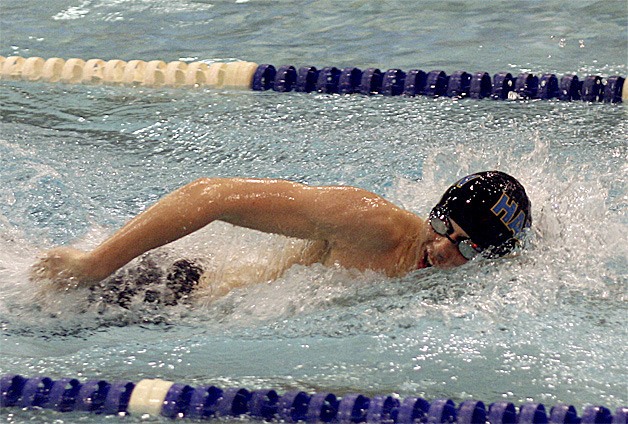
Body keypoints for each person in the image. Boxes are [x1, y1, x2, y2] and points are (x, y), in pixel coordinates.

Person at [30, 171, 531, 301]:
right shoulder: (366, 222)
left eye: (465, 246)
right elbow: (210, 196)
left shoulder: (470, 284)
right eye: (444, 228)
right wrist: (94, 265)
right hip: (175, 296)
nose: (442, 250)